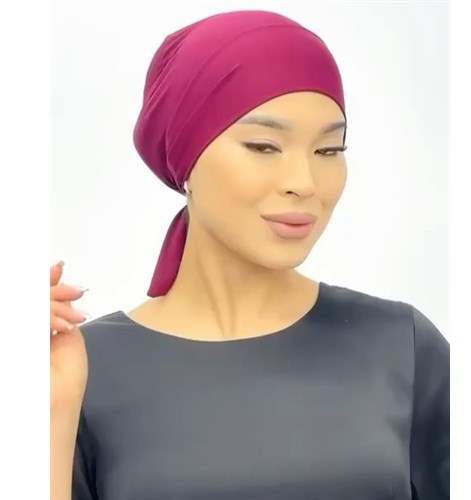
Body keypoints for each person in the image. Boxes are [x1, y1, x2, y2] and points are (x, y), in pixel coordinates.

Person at [50, 9, 450, 500]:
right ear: (185, 157)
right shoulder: (79, 369)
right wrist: (45, 412)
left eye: (329, 150)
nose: (304, 183)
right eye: (264, 146)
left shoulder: (403, 347)